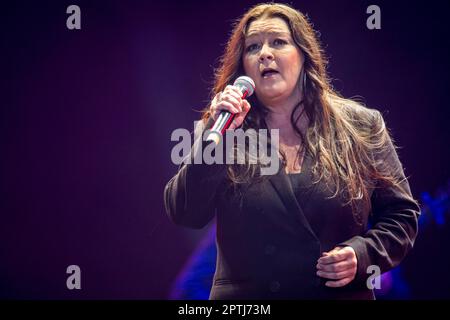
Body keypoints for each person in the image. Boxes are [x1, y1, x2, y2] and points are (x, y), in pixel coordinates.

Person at [164, 3, 420, 299]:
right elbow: (185, 212)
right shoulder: (225, 128)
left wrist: (362, 255)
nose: (264, 54)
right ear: (243, 66)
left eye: (278, 42)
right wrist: (216, 135)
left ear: (304, 54)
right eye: (253, 47)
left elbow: (402, 215)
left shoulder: (361, 125)